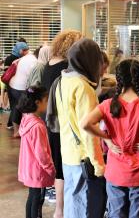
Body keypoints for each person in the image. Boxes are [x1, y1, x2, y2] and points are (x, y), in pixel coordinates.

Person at [82, 59, 139, 218]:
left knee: (116, 213)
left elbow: (85, 123)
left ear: (118, 79)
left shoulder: (108, 105)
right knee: (138, 214)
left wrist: (107, 139)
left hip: (116, 171)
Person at [55, 38, 106, 218]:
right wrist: (99, 165)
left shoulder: (63, 81)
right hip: (83, 158)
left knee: (72, 205)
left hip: (67, 153)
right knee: (84, 208)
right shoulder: (84, 87)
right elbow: (88, 131)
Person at [41, 30, 82, 218]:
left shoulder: (48, 64)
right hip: (63, 121)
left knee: (58, 164)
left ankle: (60, 209)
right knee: (66, 165)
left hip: (51, 119)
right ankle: (61, 209)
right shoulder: (66, 67)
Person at [17, 86, 55, 218]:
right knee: (37, 200)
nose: (47, 103)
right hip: (37, 170)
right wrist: (50, 169)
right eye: (46, 100)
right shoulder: (38, 126)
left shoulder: (26, 119)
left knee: (32, 197)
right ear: (37, 103)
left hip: (28, 168)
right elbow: (41, 153)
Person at [9, 49, 38, 137]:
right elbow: (32, 77)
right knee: (26, 108)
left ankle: (16, 131)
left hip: (13, 85)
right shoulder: (34, 61)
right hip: (21, 87)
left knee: (16, 108)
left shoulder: (26, 57)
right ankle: (22, 131)